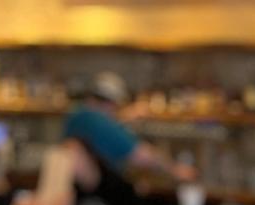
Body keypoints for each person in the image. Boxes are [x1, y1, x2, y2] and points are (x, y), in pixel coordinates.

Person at [61, 72, 196, 186]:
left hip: (78, 193)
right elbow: (143, 156)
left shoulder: (77, 115)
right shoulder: (102, 124)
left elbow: (103, 130)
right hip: (105, 197)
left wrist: (123, 118)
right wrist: (176, 170)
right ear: (111, 103)